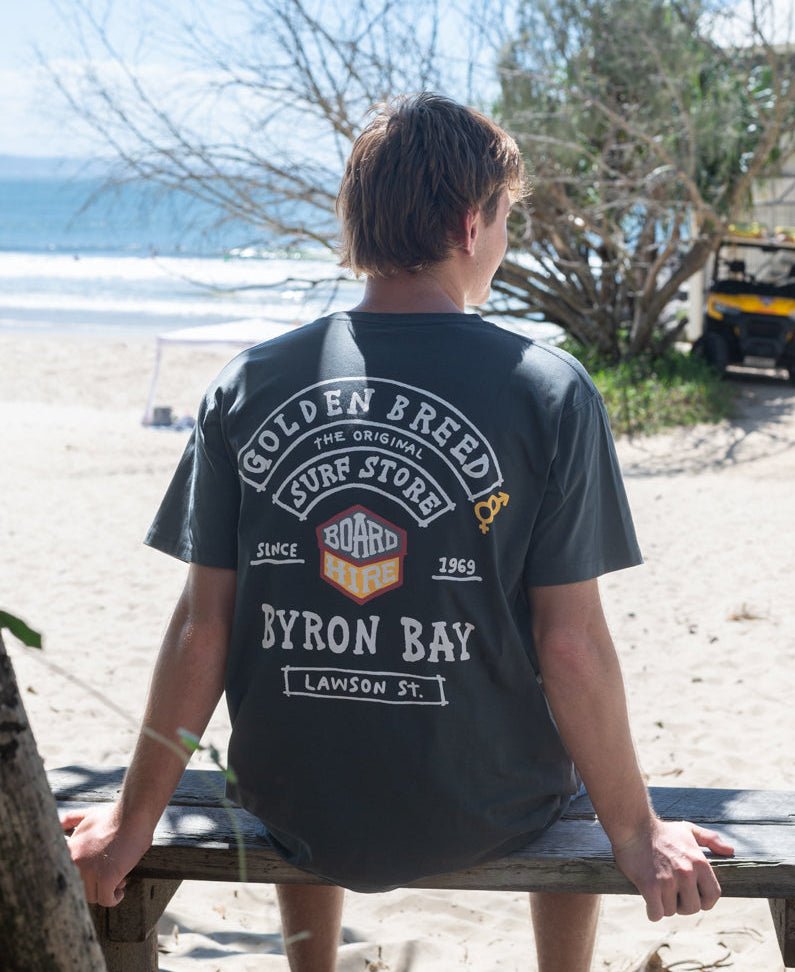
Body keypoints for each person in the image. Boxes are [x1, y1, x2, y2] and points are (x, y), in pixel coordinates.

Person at [63, 93, 734, 972]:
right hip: (486, 809)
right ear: (469, 223)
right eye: (504, 219)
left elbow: (203, 627)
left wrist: (130, 820)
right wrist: (638, 830)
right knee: (561, 742)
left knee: (312, 709)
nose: (502, 240)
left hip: (293, 800)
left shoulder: (248, 382)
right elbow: (567, 645)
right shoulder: (546, 388)